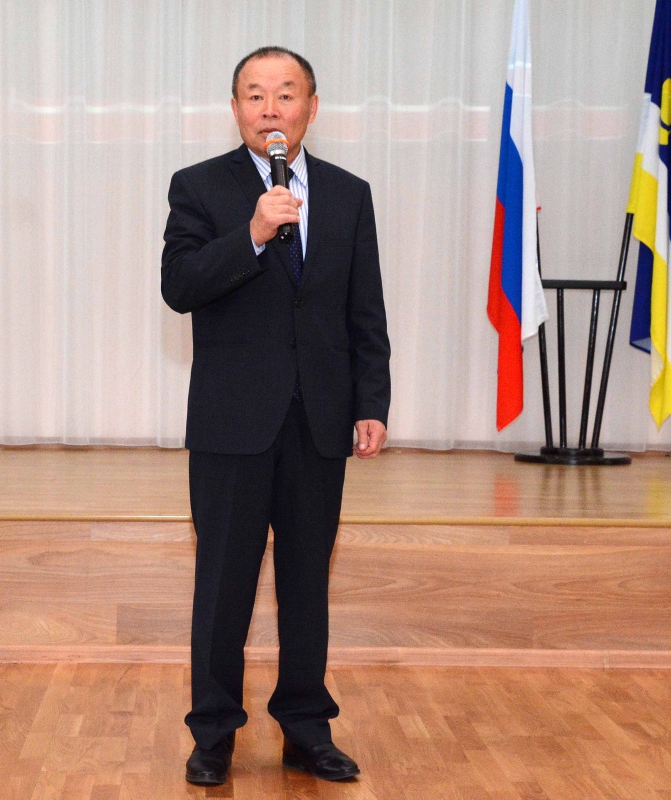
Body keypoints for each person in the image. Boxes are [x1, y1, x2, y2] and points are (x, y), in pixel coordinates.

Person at [161, 46, 391, 786]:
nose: (271, 109)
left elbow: (365, 309)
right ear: (235, 109)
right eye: (255, 95)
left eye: (286, 94)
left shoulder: (349, 194)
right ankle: (213, 734)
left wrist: (371, 402)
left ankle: (305, 728)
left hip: (319, 421)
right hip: (233, 423)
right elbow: (179, 285)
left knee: (305, 584)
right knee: (223, 586)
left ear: (311, 109)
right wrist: (253, 233)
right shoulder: (200, 187)